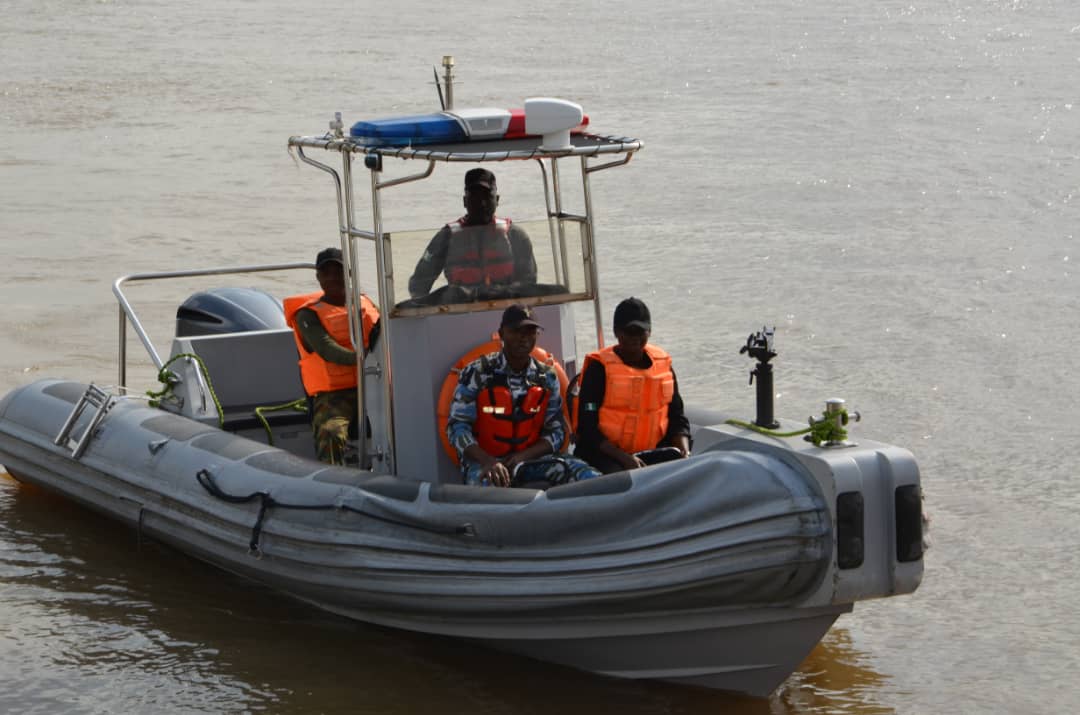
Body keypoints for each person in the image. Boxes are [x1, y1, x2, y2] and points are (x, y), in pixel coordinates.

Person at [446, 304, 600, 487]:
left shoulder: (547, 377)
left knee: (586, 474)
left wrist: (523, 456)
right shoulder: (477, 373)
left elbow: (557, 431)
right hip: (485, 463)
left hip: (531, 459)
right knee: (485, 489)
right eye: (516, 331)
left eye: (530, 332)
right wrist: (488, 461)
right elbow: (457, 428)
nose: (523, 338)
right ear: (502, 334)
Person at [284, 247, 380, 465]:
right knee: (331, 432)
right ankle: (335, 482)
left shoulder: (367, 304)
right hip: (337, 394)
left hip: (377, 382)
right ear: (318, 277)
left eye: (337, 271)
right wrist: (365, 359)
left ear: (348, 273)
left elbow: (388, 331)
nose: (332, 278)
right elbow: (327, 349)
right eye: (326, 272)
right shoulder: (308, 315)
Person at [573, 297, 691, 474]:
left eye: (640, 332)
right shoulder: (598, 370)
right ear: (616, 332)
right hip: (607, 454)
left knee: (683, 470)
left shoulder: (663, 366)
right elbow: (587, 428)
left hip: (653, 450)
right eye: (629, 332)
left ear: (649, 332)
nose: (635, 338)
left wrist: (684, 450)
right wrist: (625, 458)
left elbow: (677, 417)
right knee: (618, 477)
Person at [408, 168, 537, 299]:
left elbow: (529, 283)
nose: (481, 203)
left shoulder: (515, 235)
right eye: (474, 197)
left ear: (497, 200)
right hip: (460, 313)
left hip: (505, 311)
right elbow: (418, 284)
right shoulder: (446, 237)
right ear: (465, 201)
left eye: (487, 197)